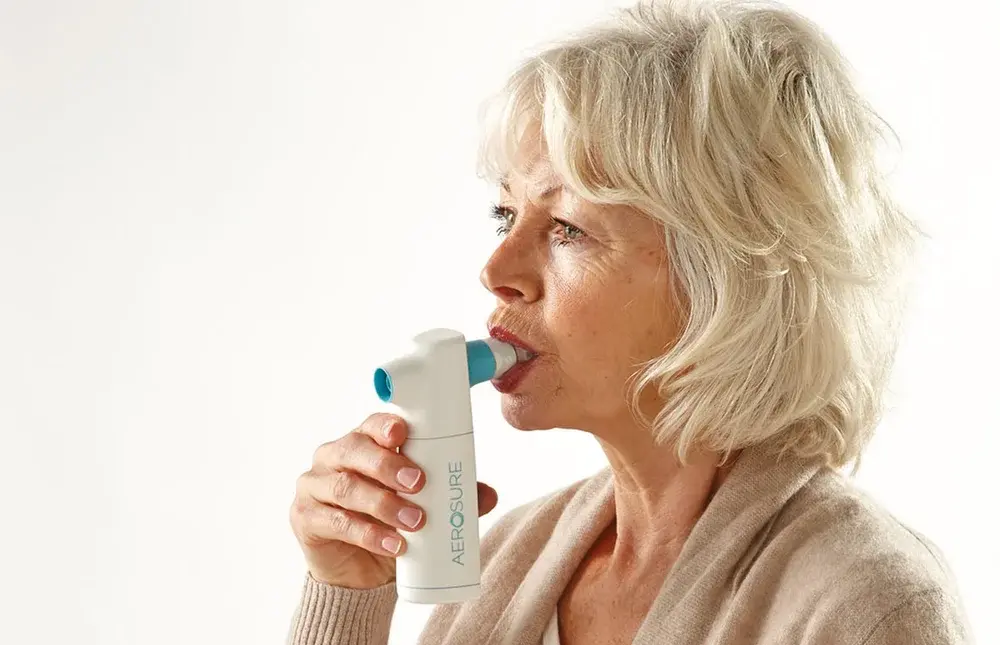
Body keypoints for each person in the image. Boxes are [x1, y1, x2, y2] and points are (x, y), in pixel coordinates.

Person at [286, 0, 973, 643]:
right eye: (506, 215)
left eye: (566, 227)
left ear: (723, 277)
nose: (497, 269)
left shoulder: (868, 604)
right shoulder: (501, 564)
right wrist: (348, 595)